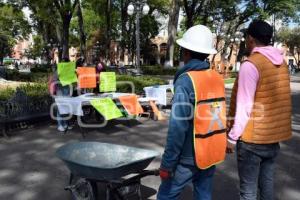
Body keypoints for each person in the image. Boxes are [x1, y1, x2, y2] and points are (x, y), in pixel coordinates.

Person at [157, 25, 227, 200]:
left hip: (188, 156)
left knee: (166, 195)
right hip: (210, 151)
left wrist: (167, 164)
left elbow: (177, 128)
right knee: (203, 194)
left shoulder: (186, 81)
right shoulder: (216, 78)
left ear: (186, 52)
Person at [226, 20, 292, 200]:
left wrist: (232, 137)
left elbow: (245, 107)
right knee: (267, 186)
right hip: (272, 137)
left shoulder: (251, 65)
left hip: (252, 140)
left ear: (251, 39)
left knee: (248, 191)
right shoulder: (282, 63)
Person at [53, 57, 73, 132]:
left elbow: (72, 81)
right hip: (60, 91)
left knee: (66, 108)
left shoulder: (69, 70)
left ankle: (65, 124)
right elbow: (54, 79)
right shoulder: (59, 70)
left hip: (67, 90)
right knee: (60, 109)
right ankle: (59, 125)